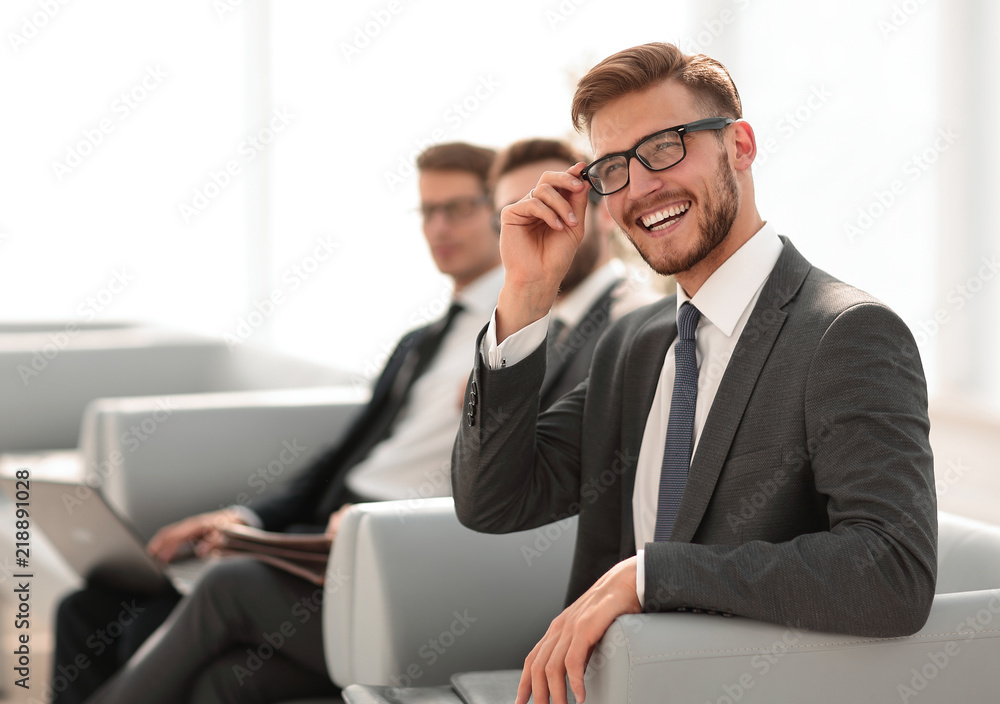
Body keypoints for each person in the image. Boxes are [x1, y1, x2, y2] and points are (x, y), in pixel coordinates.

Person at [451, 42, 936, 704]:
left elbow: (891, 573)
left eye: (665, 147)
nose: (642, 187)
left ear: (739, 145)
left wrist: (652, 576)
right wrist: (526, 295)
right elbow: (494, 500)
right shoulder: (635, 344)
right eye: (614, 168)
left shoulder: (844, 333)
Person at [56, 141, 506, 704]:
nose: (439, 226)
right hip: (313, 540)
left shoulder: (520, 340)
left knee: (197, 643)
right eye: (427, 211)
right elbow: (342, 458)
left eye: (458, 208)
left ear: (501, 210)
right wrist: (242, 517)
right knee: (90, 606)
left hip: (386, 549)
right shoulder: (421, 341)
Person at [488, 137, 660, 408]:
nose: (535, 224)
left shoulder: (641, 325)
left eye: (553, 202)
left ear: (604, 214)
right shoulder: (509, 343)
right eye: (517, 215)